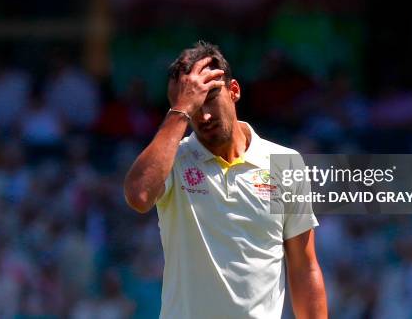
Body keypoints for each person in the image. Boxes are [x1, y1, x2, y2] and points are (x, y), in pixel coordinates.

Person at [123, 41, 328, 319]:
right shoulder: (173, 159)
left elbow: (305, 267)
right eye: (193, 106)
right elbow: (139, 196)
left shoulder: (286, 161)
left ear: (234, 91)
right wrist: (181, 110)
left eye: (209, 97)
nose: (203, 115)